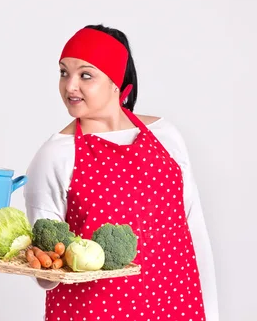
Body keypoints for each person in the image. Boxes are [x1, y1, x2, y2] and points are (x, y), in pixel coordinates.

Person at [23, 25, 219, 320]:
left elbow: (194, 229)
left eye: (85, 75)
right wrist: (42, 263)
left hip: (176, 305)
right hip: (95, 312)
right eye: (64, 72)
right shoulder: (55, 154)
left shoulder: (165, 135)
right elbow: (47, 273)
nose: (70, 86)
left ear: (116, 81)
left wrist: (211, 312)